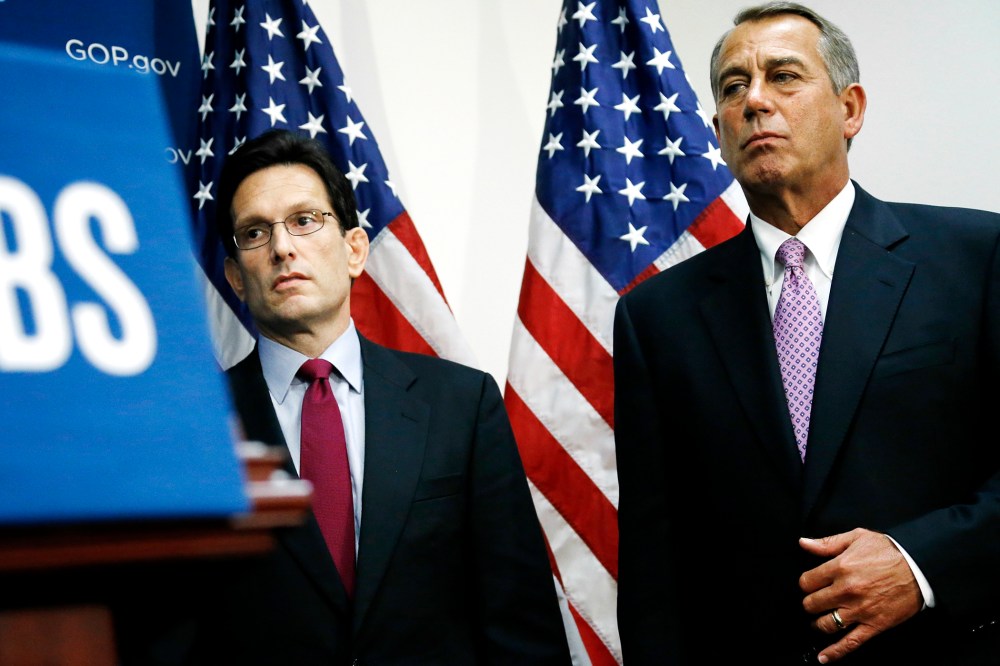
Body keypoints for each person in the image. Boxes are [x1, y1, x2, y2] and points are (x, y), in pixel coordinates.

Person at [614, 3, 1000, 664]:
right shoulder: (656, 317)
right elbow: (656, 562)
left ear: (850, 109)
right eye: (734, 88)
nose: (756, 101)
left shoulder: (977, 257)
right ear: (717, 130)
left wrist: (919, 565)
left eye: (784, 76)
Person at [194, 129, 571, 665]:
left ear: (354, 249)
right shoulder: (197, 427)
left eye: (305, 220)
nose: (282, 247)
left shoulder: (461, 406)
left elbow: (521, 622)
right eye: (255, 232)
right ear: (234, 276)